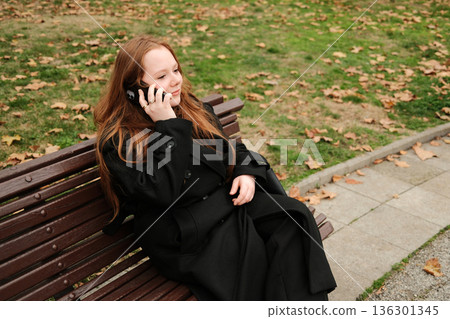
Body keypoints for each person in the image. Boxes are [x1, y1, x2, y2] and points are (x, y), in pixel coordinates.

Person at [94, 35, 336, 301]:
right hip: (184, 234)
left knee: (294, 219)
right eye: (161, 76)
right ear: (134, 87)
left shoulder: (192, 108)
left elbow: (231, 149)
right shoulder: (119, 140)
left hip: (222, 207)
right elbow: (164, 193)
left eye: (175, 70)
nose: (175, 80)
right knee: (256, 249)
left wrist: (245, 172)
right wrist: (168, 125)